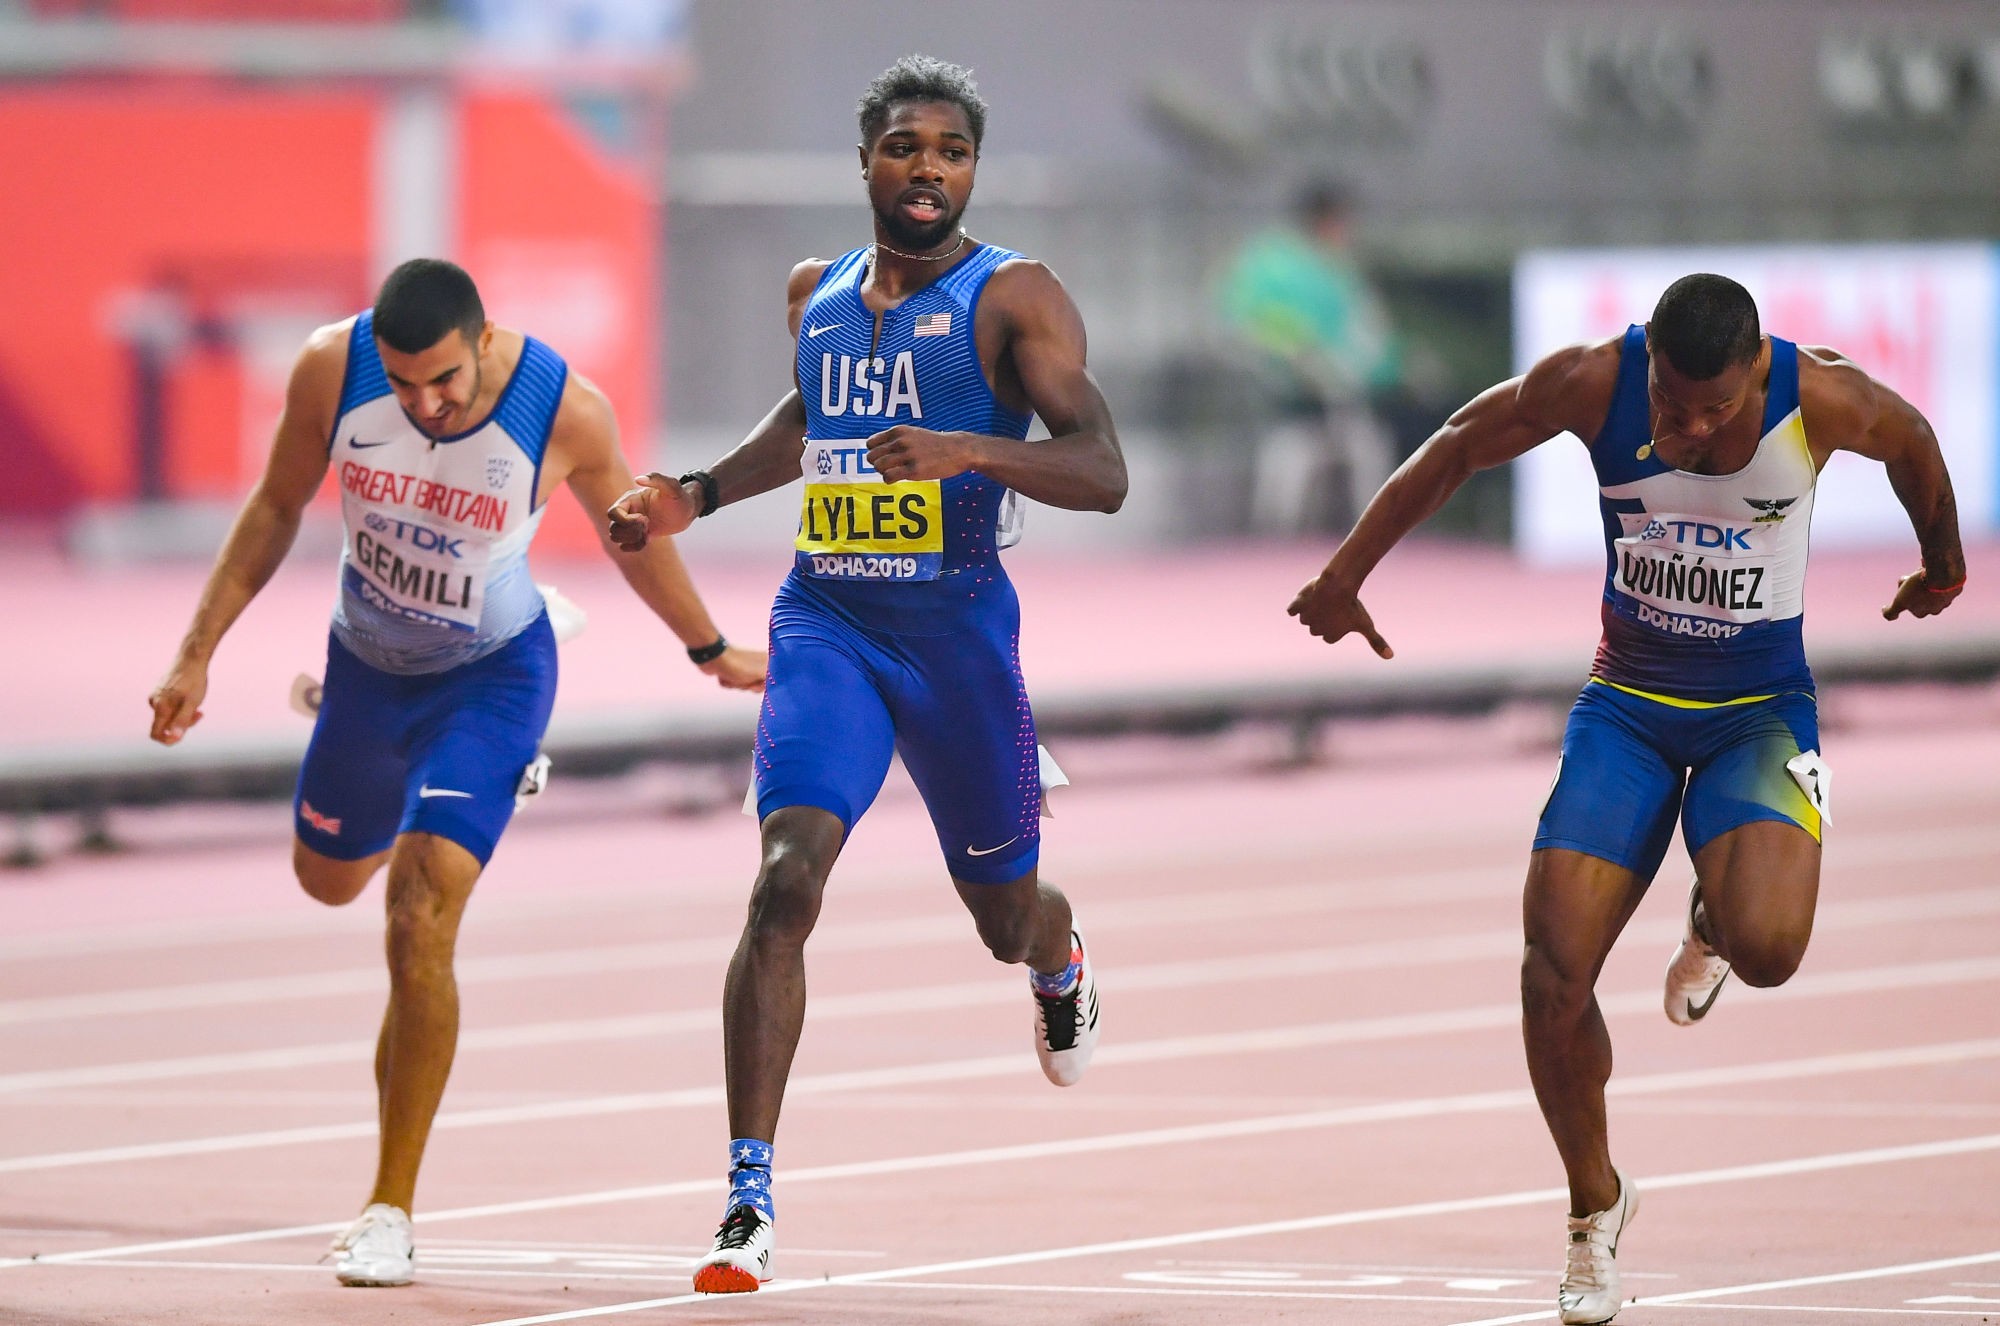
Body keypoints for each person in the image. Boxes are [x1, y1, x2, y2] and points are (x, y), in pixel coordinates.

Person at [1286, 273, 1964, 1325]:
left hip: (1756, 713)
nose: (1690, 430)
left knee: (1770, 951)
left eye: (1714, 410)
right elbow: (1460, 441)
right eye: (1672, 406)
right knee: (1549, 971)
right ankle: (1592, 1208)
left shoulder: (1816, 399)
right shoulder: (1591, 383)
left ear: (1752, 372)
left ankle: (1714, 915)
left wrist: (1943, 564)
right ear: (1648, 362)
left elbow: (1912, 438)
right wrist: (1346, 573)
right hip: (1627, 708)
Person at [607, 54, 1127, 1294]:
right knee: (784, 882)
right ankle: (746, 1200)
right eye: (905, 147)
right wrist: (695, 492)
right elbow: (804, 424)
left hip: (953, 641)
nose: (927, 170)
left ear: (970, 172)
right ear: (865, 161)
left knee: (1002, 920)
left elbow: (1101, 467)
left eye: (949, 151)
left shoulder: (1016, 299)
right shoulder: (819, 293)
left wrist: (963, 451)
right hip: (825, 625)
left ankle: (1058, 959)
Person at [146, 258, 765, 1288]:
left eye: (443, 380)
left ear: (483, 340)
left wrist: (707, 649)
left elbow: (630, 538)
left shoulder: (561, 408)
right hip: (365, 670)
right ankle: (424, 776)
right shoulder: (326, 373)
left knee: (417, 909)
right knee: (328, 879)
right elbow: (273, 506)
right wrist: (195, 650)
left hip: (492, 677)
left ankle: (387, 1209)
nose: (426, 403)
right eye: (404, 384)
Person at [1218, 179, 1402, 533]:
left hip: (1343, 393)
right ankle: (1277, 536)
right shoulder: (1272, 263)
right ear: (1326, 220)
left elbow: (1369, 336)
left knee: (1367, 449)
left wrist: (1381, 367)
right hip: (1290, 394)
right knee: (1291, 459)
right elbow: (1245, 323)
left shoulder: (1341, 270)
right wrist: (1296, 357)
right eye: (1342, 221)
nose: (1347, 231)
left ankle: (1376, 531)